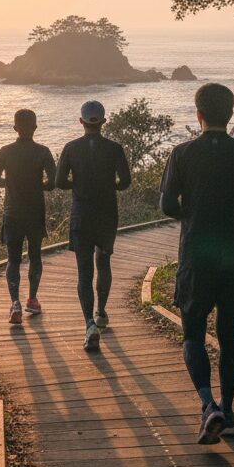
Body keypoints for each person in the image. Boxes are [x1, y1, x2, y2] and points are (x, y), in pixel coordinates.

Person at [161, 84, 234, 445]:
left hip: (196, 254)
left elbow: (167, 205)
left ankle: (207, 405)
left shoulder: (182, 154)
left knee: (193, 334)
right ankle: (228, 410)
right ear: (231, 115)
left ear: (198, 114)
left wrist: (192, 216)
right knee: (229, 335)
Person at [55, 100, 131, 351]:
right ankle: (101, 312)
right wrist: (109, 186)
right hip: (107, 215)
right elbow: (125, 182)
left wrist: (78, 184)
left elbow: (59, 181)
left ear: (81, 122)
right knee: (104, 262)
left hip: (81, 216)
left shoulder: (71, 148)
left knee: (84, 272)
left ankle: (89, 324)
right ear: (103, 122)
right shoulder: (114, 149)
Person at [0, 108, 56, 325]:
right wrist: (37, 185)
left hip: (13, 212)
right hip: (35, 212)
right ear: (35, 127)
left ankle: (15, 303)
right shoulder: (43, 152)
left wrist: (11, 183)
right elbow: (52, 183)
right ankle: (32, 300)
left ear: (15, 128)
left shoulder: (5, 151)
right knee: (35, 256)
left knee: (13, 259)